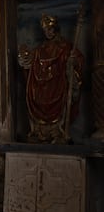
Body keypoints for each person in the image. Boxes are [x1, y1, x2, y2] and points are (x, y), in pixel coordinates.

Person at [18, 14, 83, 144]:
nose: (47, 33)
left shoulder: (65, 47)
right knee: (35, 95)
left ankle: (57, 132)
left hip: (58, 85)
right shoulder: (39, 50)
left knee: (60, 100)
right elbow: (30, 64)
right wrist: (24, 59)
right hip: (41, 89)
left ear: (56, 28)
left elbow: (78, 59)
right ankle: (39, 132)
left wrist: (72, 62)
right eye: (45, 30)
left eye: (50, 29)